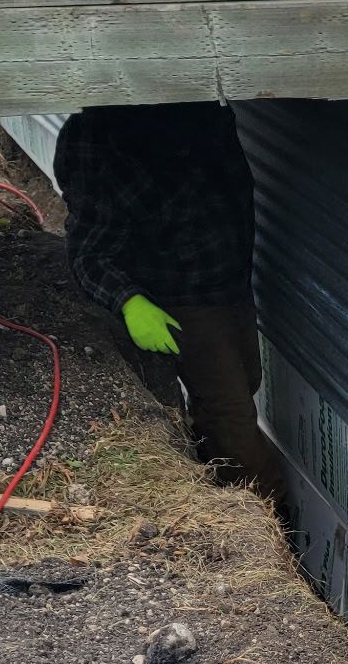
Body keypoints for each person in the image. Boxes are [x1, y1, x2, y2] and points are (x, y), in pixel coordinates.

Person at [53, 102, 286, 503]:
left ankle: (210, 464)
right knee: (233, 424)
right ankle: (263, 518)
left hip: (230, 283)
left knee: (243, 385)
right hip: (181, 302)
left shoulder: (200, 109)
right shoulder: (99, 142)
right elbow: (87, 254)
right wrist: (129, 301)